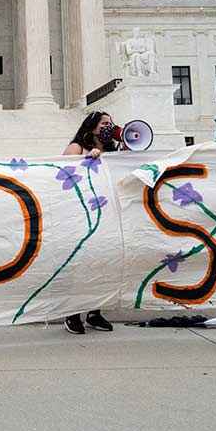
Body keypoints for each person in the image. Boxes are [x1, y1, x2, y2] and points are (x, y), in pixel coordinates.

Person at [61, 111, 119, 335]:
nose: (109, 126)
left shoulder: (114, 151)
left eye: (111, 123)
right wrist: (86, 161)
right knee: (79, 266)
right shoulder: (77, 147)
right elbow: (62, 175)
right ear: (92, 126)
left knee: (103, 264)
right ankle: (72, 314)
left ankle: (95, 312)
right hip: (80, 215)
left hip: (107, 214)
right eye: (105, 123)